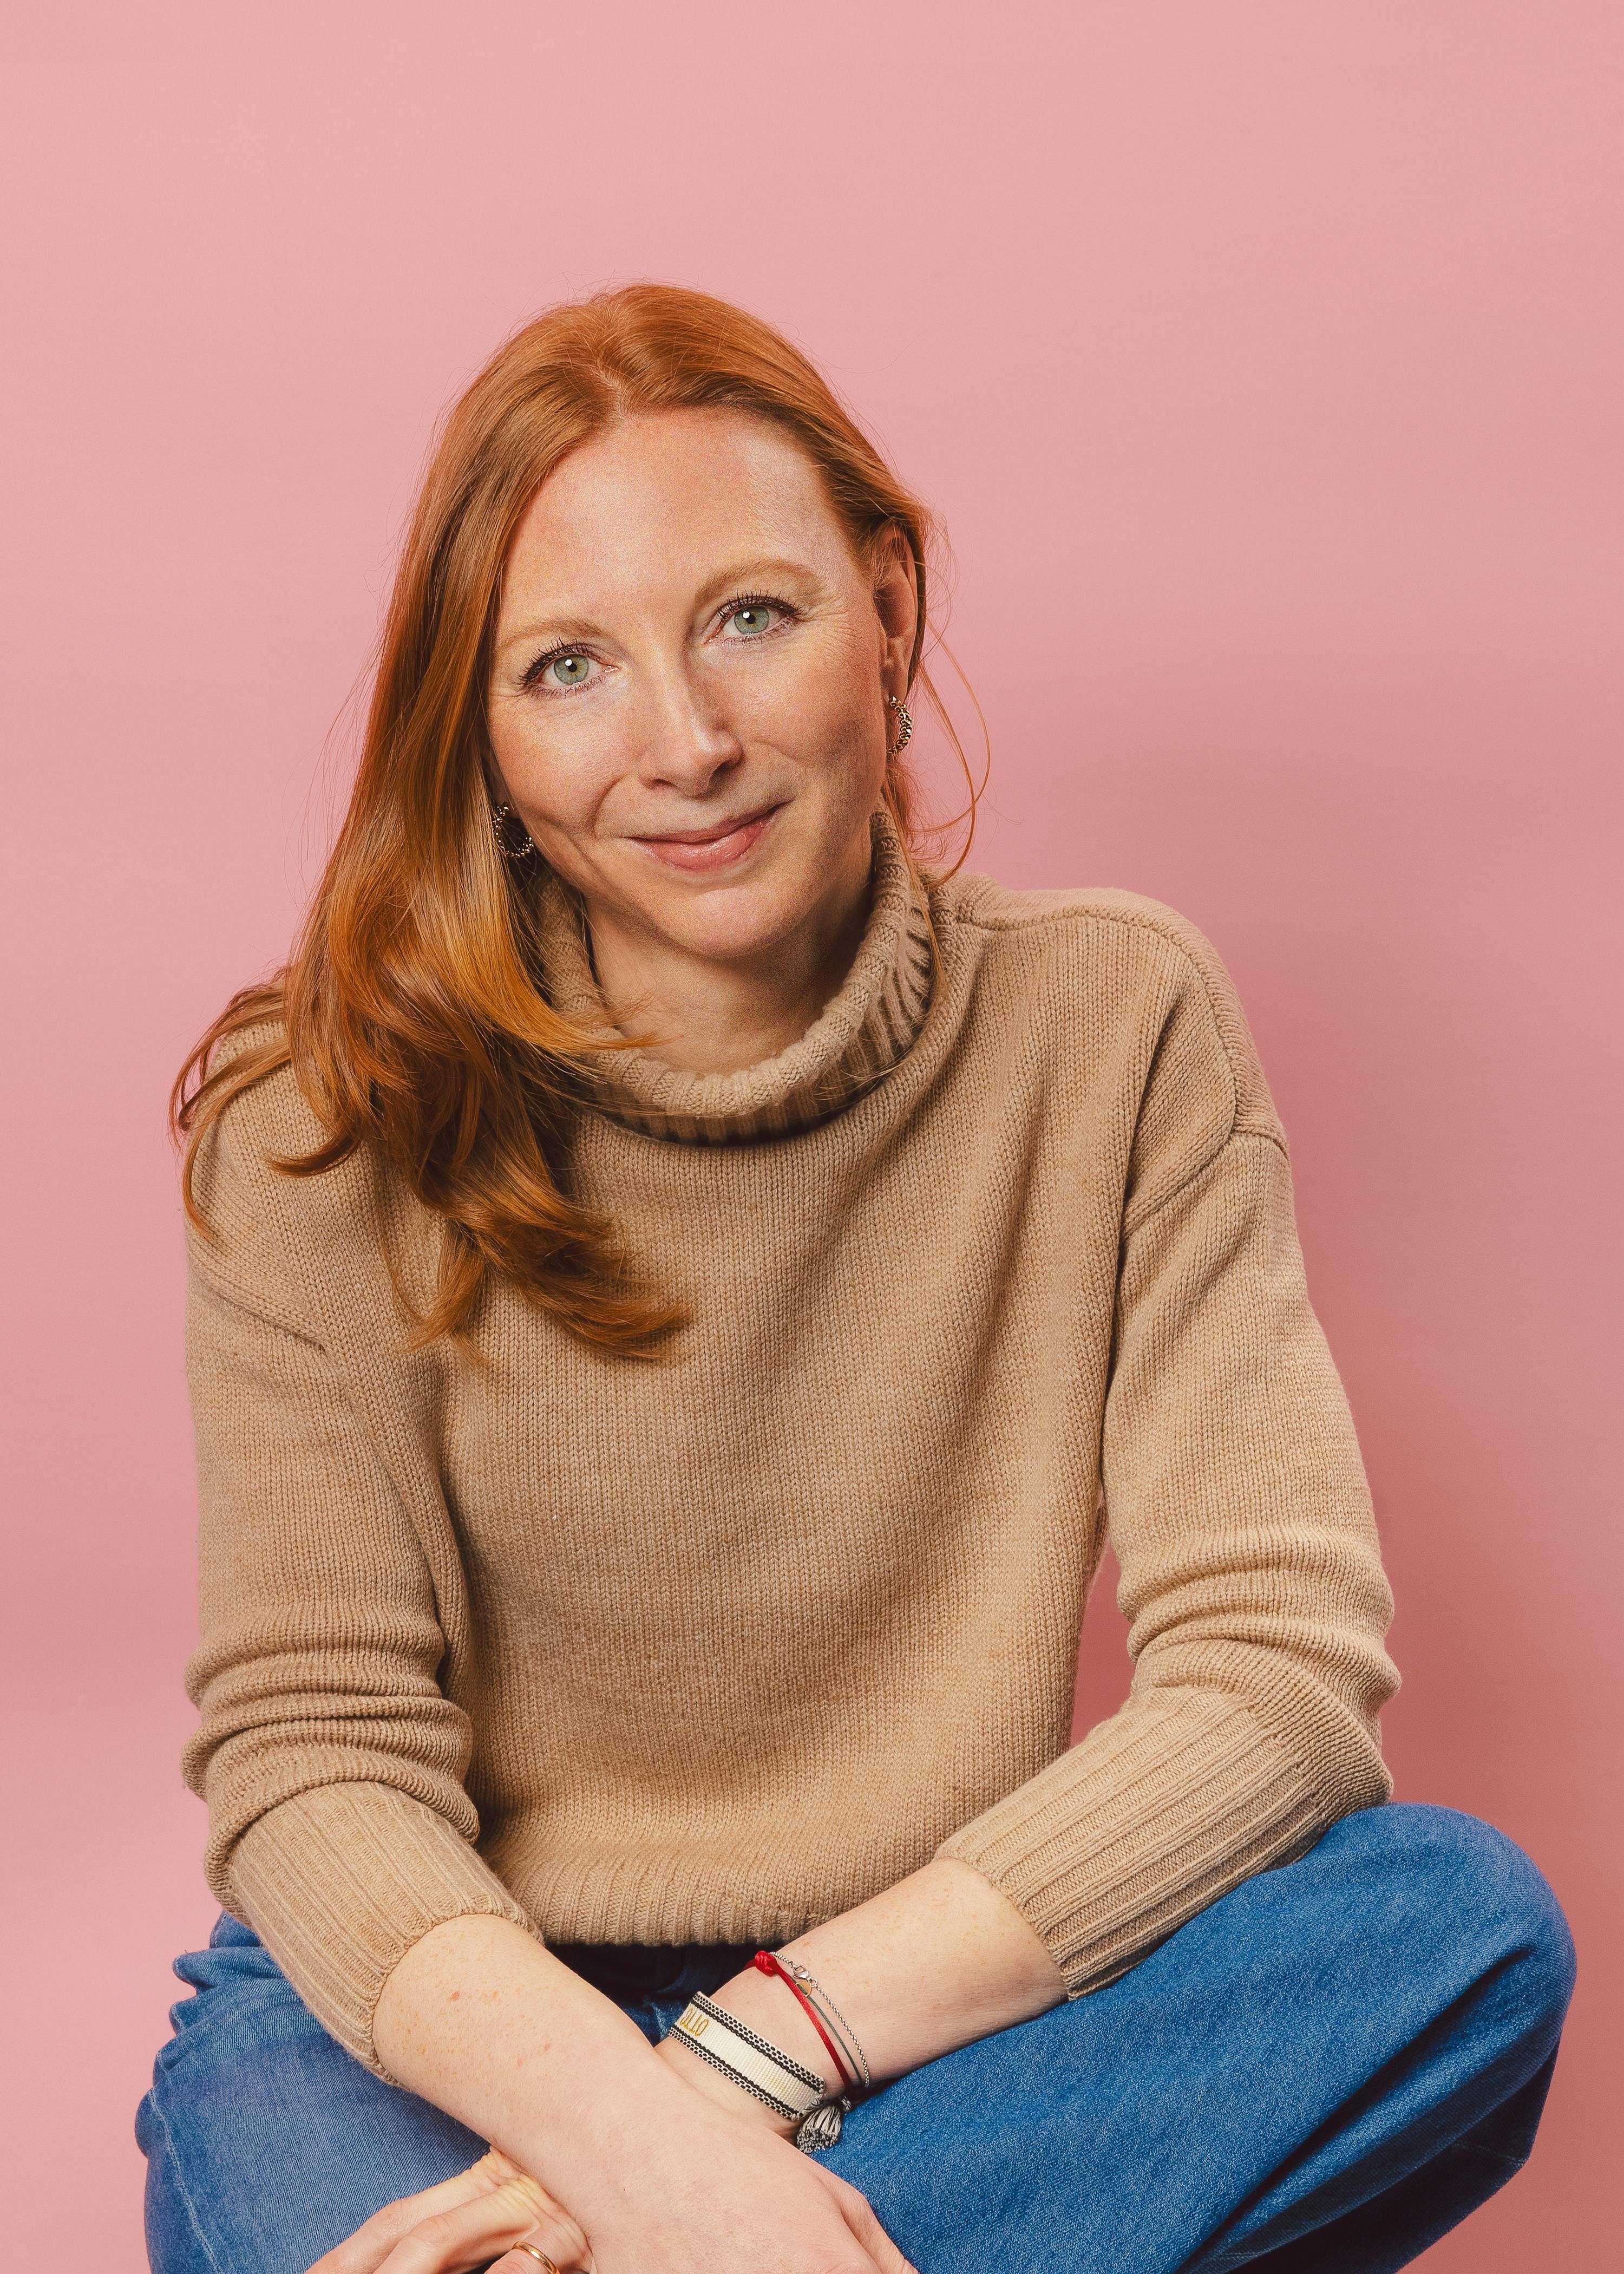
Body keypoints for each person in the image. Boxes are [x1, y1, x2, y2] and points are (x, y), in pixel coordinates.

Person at [137, 284, 1573, 2274]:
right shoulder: (322, 1117)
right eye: (569, 667)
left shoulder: (1114, 1026)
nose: (689, 743)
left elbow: (1277, 1676)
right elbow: (314, 1753)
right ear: (482, 735)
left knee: (1453, 1932)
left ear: (888, 605)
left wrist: (734, 2088)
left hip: (931, 2008)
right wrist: (608, 2136)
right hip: (437, 2022)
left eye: (751, 616)